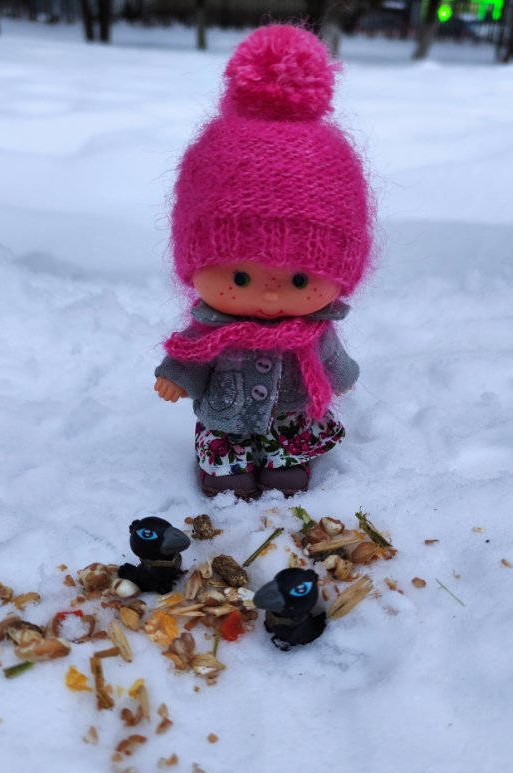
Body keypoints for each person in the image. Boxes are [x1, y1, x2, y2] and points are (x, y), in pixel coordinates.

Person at [154, 24, 374, 499]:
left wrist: (343, 376)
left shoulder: (314, 330)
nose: (270, 293)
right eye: (240, 276)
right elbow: (192, 353)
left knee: (287, 465)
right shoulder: (212, 328)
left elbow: (329, 358)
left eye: (299, 278)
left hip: (290, 415)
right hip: (227, 417)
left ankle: (283, 464)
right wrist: (175, 377)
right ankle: (225, 470)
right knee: (226, 455)